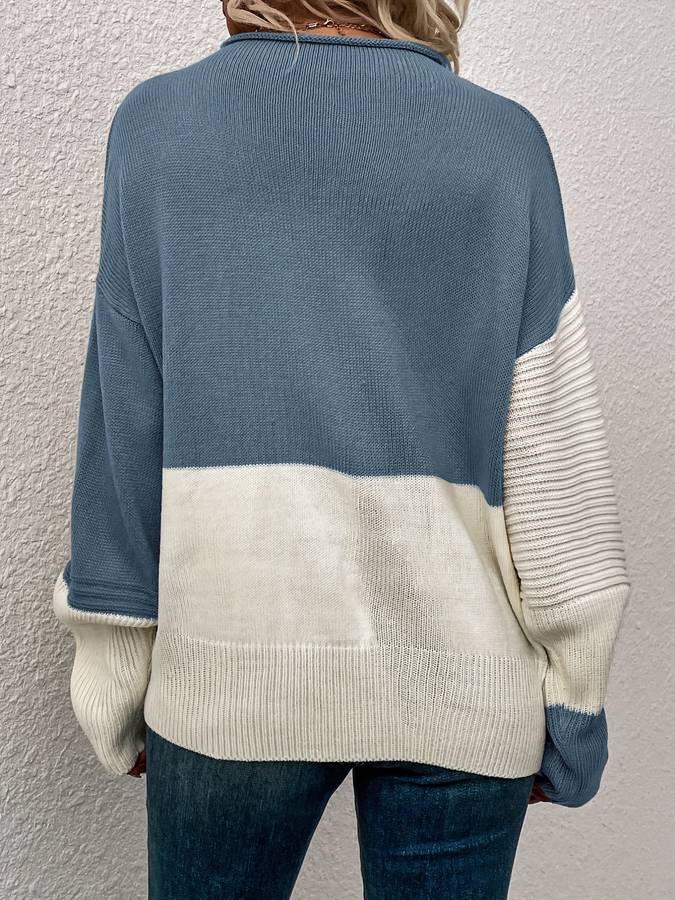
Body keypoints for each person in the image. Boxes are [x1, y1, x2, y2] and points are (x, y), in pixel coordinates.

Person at [51, 1, 632, 897]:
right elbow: (552, 440)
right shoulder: (502, 141)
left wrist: (115, 672)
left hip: (230, 667)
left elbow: (123, 421)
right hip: (466, 672)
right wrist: (575, 699)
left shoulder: (158, 127)